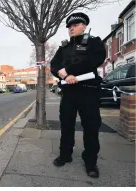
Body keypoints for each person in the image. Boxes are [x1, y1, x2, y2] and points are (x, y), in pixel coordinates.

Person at [50, 12, 106, 178]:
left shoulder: (94, 43)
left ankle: (90, 162)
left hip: (88, 91)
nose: (71, 28)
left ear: (84, 26)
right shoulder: (64, 47)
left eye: (75, 25)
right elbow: (54, 66)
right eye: (69, 26)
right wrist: (66, 77)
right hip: (69, 92)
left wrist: (69, 70)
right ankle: (65, 155)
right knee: (66, 125)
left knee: (91, 127)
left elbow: (95, 59)